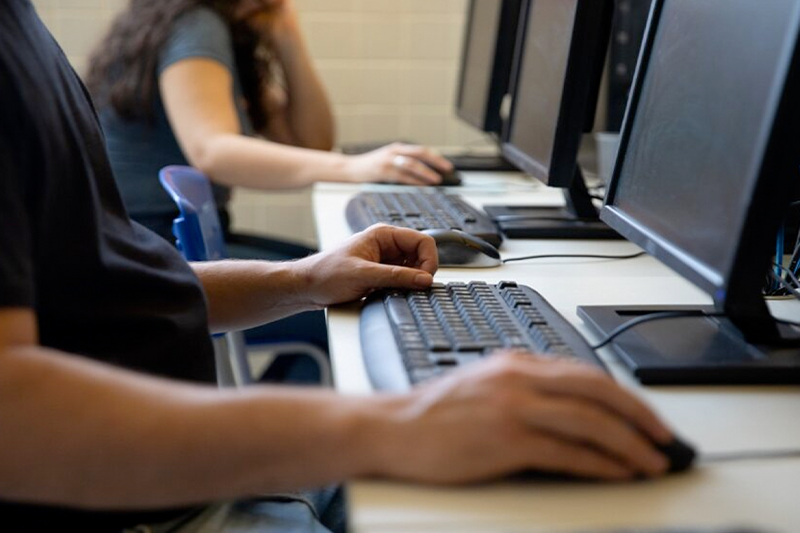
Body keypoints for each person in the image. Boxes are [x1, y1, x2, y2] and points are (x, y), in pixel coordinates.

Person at [0, 1, 675, 531]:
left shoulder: (23, 28)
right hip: (139, 508)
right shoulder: (180, 26)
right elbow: (15, 419)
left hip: (172, 485)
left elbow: (99, 289)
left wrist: (302, 280)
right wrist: (397, 426)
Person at [85, 0, 455, 249]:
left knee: (339, 281)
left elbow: (311, 143)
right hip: (152, 243)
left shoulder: (220, 26)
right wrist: (357, 167)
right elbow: (212, 152)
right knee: (350, 297)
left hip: (161, 239)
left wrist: (286, 33)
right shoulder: (197, 24)